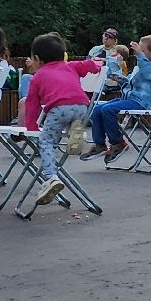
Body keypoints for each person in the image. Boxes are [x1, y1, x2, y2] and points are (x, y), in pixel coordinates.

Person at [19, 33, 102, 205]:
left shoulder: (38, 76)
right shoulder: (70, 66)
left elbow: (32, 104)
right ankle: (75, 130)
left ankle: (51, 177)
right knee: (70, 119)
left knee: (47, 141)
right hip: (81, 106)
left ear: (37, 58)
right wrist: (97, 66)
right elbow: (88, 65)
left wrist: (32, 127)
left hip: (58, 108)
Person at [81, 35, 151, 164]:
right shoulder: (146, 63)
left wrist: (140, 57)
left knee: (107, 110)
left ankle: (118, 143)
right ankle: (99, 144)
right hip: (130, 98)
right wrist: (121, 80)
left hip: (140, 102)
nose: (139, 54)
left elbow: (149, 74)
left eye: (143, 51)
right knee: (97, 109)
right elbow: (134, 82)